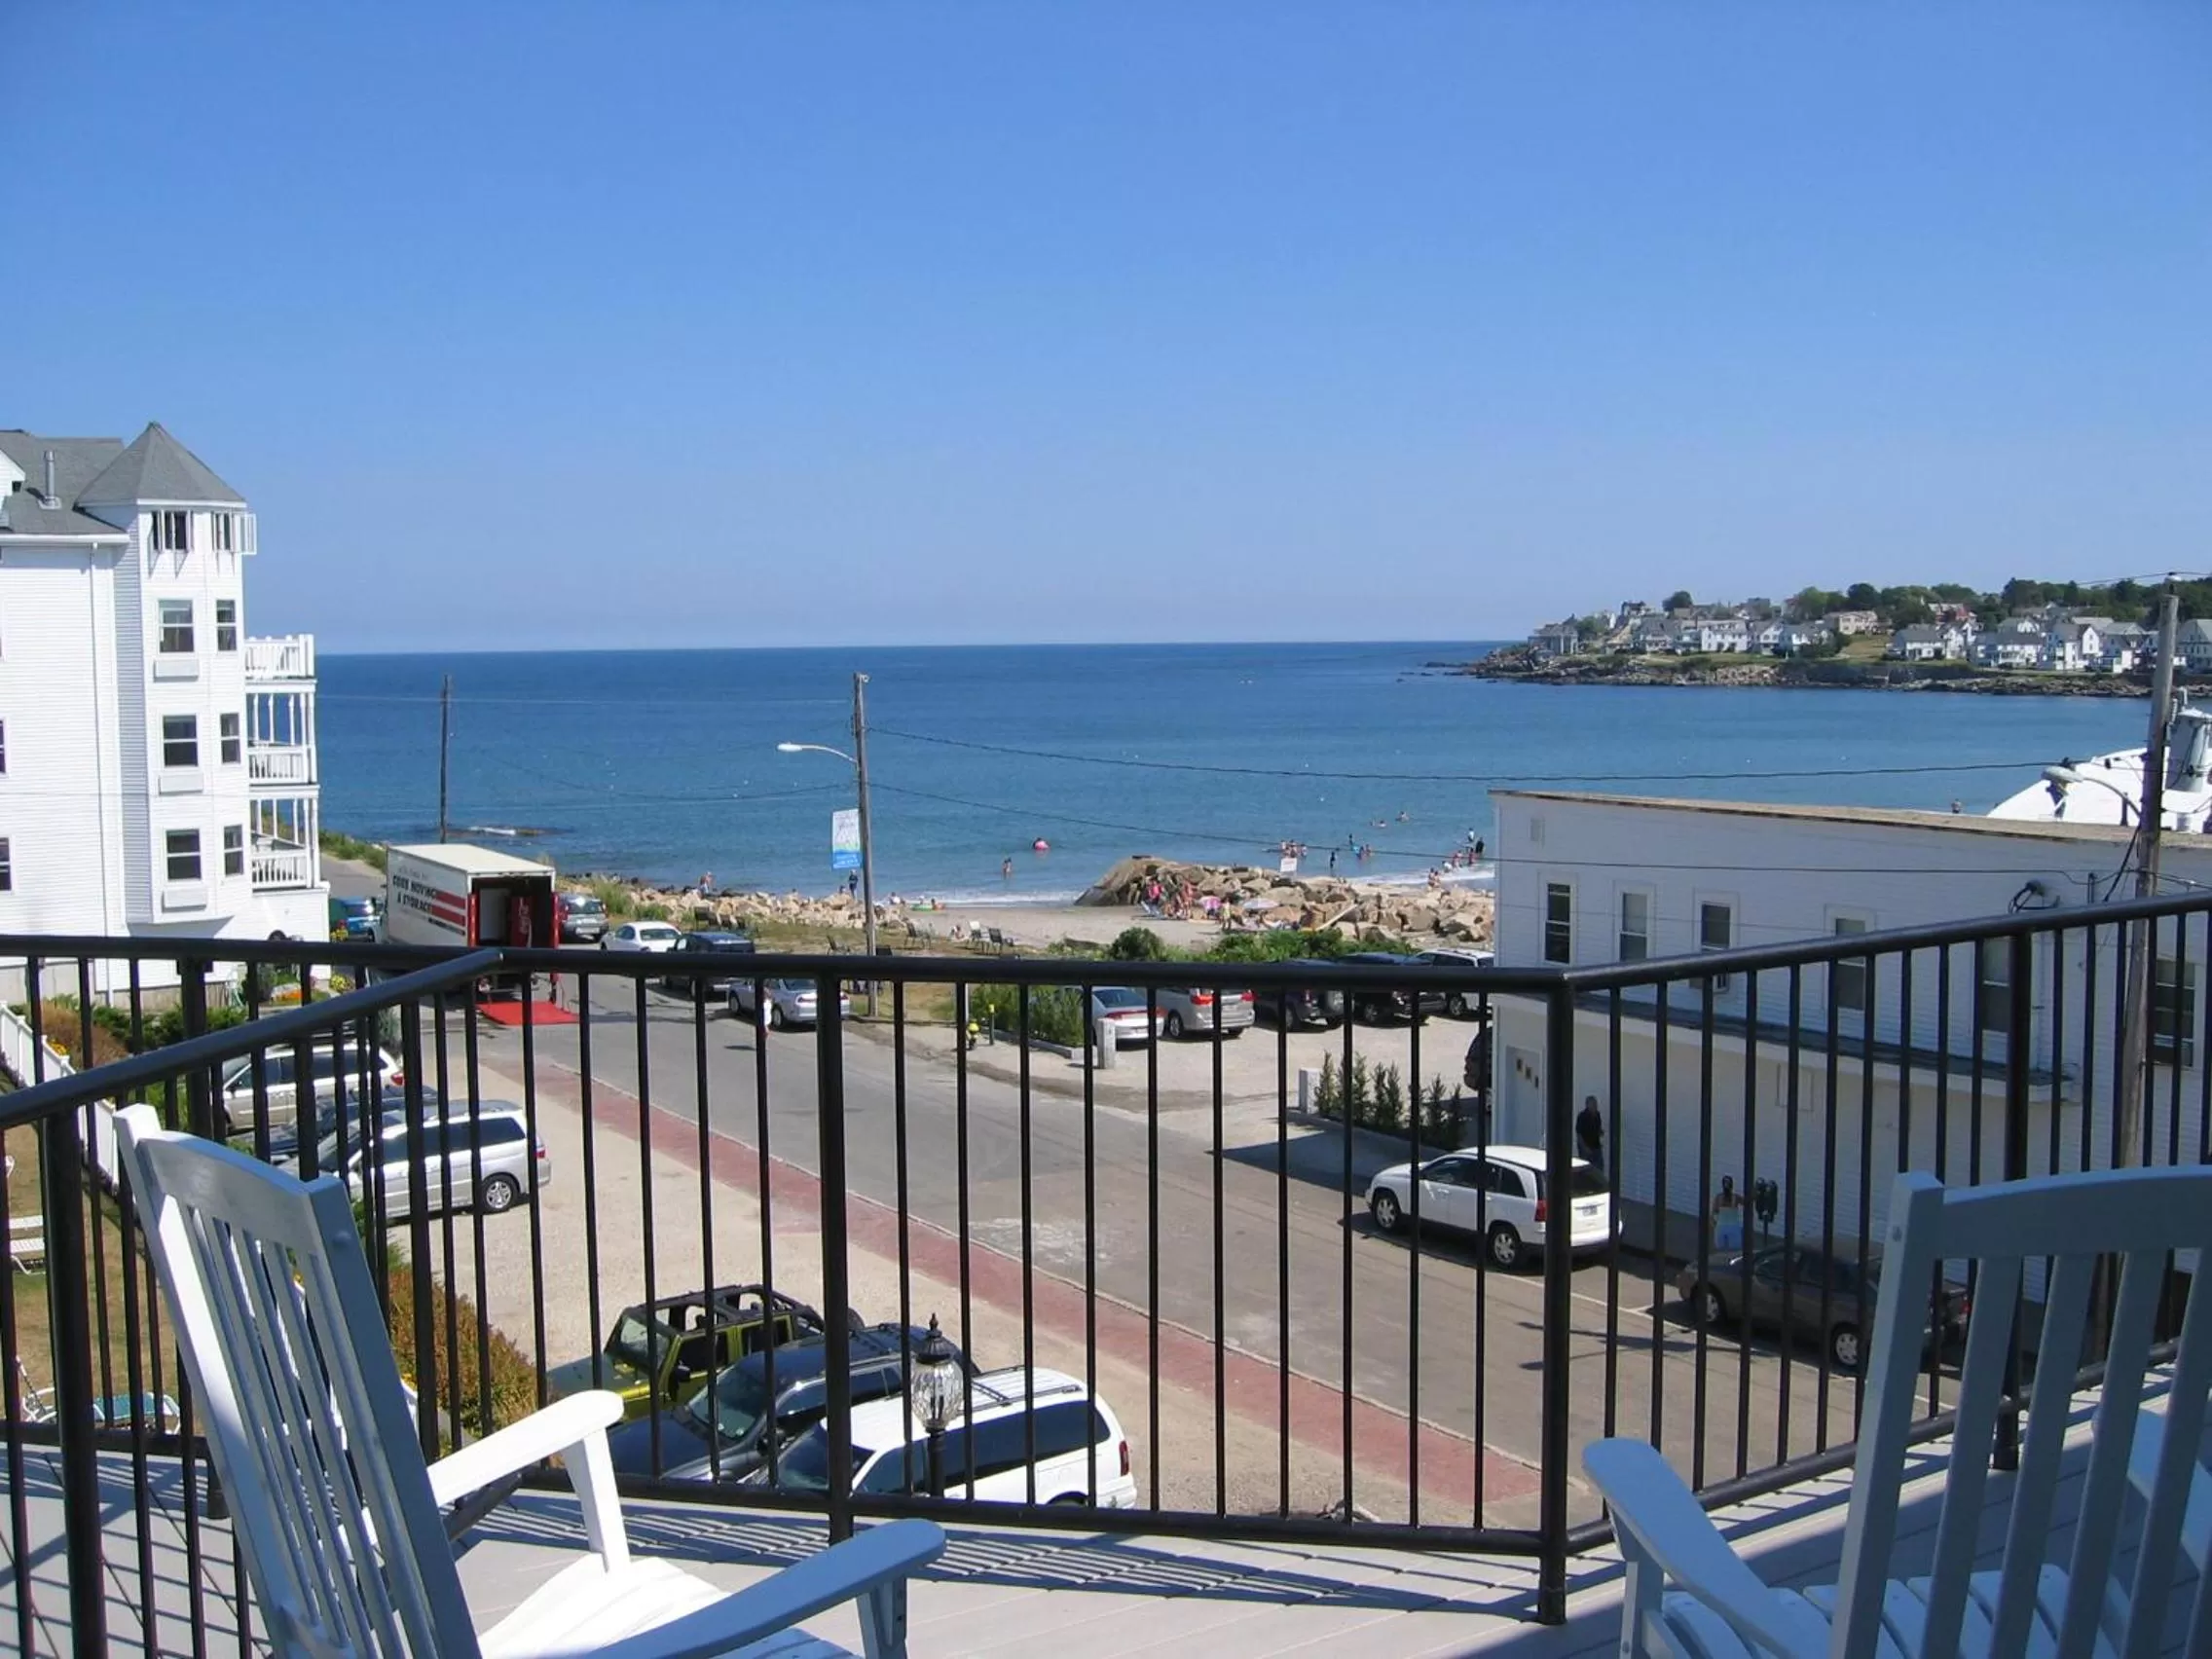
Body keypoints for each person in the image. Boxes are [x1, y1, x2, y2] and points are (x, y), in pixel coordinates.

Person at [1712, 1175, 1745, 1252]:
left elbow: (1713, 1214)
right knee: (1732, 1250)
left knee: (1723, 1250)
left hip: (1724, 1226)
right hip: (1731, 1226)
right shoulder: (1735, 1198)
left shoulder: (1719, 1197)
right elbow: (1746, 1202)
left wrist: (1715, 1225)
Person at [1576, 1094, 1604, 1172]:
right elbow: (1579, 1134)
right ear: (1587, 1105)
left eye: (1596, 1104)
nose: (1595, 1106)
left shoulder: (1597, 1115)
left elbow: (1597, 1128)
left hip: (1596, 1147)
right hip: (1586, 1148)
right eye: (1593, 1104)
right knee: (1586, 1170)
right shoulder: (1582, 1117)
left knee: (1599, 1168)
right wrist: (1584, 1147)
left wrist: (1600, 1132)